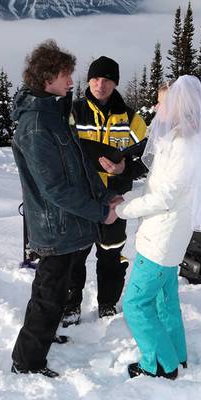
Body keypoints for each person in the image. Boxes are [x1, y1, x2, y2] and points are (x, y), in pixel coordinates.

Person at [9, 40, 122, 378]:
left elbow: (80, 167)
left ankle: (41, 339)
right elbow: (54, 188)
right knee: (49, 293)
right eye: (66, 75)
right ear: (47, 78)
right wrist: (101, 214)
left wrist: (104, 199)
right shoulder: (37, 126)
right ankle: (26, 362)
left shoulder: (54, 115)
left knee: (55, 291)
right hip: (55, 225)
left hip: (68, 223)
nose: (73, 81)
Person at [116, 75, 201, 380]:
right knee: (164, 300)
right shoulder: (183, 139)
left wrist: (122, 209)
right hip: (170, 238)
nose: (157, 105)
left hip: (160, 239)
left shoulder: (183, 145)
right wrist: (130, 197)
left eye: (162, 100)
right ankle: (177, 355)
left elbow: (164, 197)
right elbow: (158, 187)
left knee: (136, 304)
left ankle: (159, 365)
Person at [63, 56, 148, 325]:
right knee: (75, 253)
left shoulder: (132, 120)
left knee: (111, 253)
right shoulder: (73, 112)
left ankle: (107, 304)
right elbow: (61, 153)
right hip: (81, 197)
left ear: (115, 83)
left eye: (107, 79)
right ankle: (71, 304)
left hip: (115, 200)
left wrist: (124, 170)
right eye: (96, 78)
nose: (101, 84)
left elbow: (150, 159)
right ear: (88, 80)